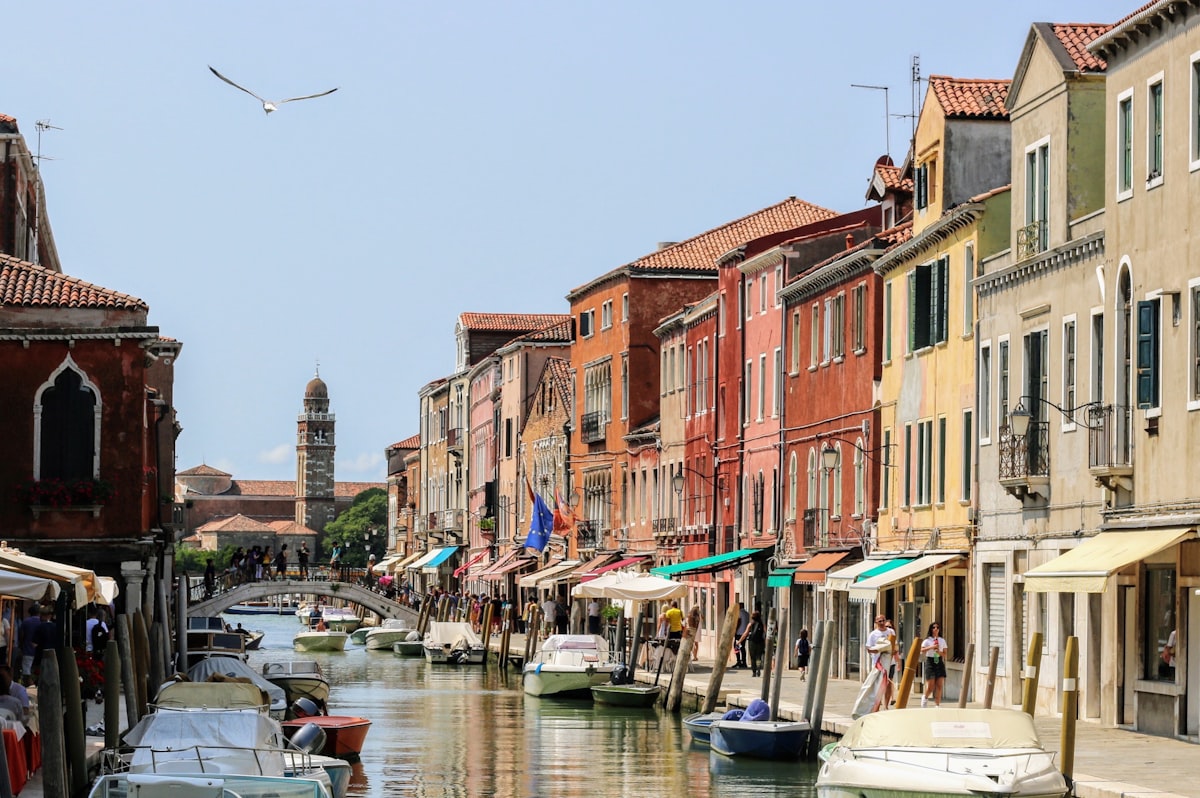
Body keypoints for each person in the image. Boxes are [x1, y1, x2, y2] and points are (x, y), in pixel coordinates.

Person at [865, 614, 895, 711]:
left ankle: (886, 706)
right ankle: (876, 707)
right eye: (880, 621)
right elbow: (868, 648)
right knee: (879, 686)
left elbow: (894, 645)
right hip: (879, 663)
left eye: (883, 620)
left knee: (888, 684)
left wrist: (894, 652)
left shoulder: (891, 632)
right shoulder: (873, 634)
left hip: (890, 662)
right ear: (876, 622)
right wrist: (877, 650)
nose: (882, 623)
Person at [921, 622, 948, 707]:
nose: (936, 629)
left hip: (939, 661)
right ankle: (925, 697)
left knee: (939, 685)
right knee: (931, 686)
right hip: (930, 661)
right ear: (931, 629)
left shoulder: (942, 640)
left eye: (937, 627)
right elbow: (922, 650)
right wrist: (932, 647)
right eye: (934, 627)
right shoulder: (927, 640)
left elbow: (945, 654)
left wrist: (939, 652)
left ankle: (937, 704)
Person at [18, 605, 42, 684]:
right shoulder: (42, 621)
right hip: (40, 652)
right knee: (39, 672)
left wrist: (22, 646)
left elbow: (21, 636)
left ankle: (29, 687)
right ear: (39, 612)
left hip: (27, 650)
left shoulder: (26, 621)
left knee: (27, 672)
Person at [739, 610, 766, 677]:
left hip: (752, 642)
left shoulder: (750, 624)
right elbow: (766, 633)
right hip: (760, 642)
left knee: (753, 657)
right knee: (758, 657)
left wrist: (739, 641)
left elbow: (745, 634)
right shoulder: (762, 624)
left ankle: (754, 671)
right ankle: (758, 668)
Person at [733, 602, 749, 669]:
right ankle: (744, 661)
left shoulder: (739, 613)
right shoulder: (747, 613)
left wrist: (735, 630)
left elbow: (738, 622)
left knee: (736, 646)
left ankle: (738, 661)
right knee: (742, 647)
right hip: (744, 633)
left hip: (739, 633)